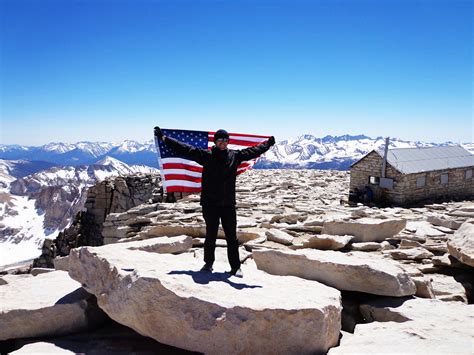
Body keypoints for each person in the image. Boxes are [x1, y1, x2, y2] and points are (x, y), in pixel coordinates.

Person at [154, 127, 275, 277]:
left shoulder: (235, 156)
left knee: (232, 236)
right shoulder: (206, 155)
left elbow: (253, 151)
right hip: (210, 204)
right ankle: (208, 264)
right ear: (215, 141)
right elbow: (185, 149)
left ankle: (235, 267)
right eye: (220, 140)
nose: (223, 143)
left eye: (225, 140)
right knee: (211, 235)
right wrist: (164, 138)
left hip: (228, 205)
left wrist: (268, 144)